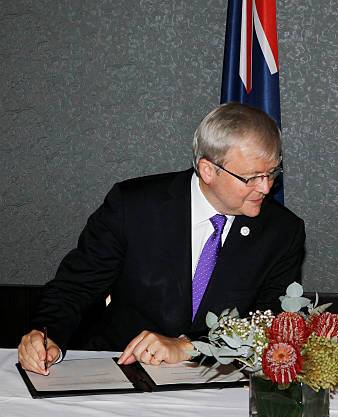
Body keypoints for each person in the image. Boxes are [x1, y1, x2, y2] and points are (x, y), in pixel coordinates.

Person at [18, 103, 305, 375]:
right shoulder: (133, 206)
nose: (266, 188)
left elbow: (271, 324)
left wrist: (188, 346)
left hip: (215, 381)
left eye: (271, 173)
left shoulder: (282, 231)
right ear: (208, 170)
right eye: (251, 178)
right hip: (122, 369)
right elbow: (75, 286)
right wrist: (46, 335)